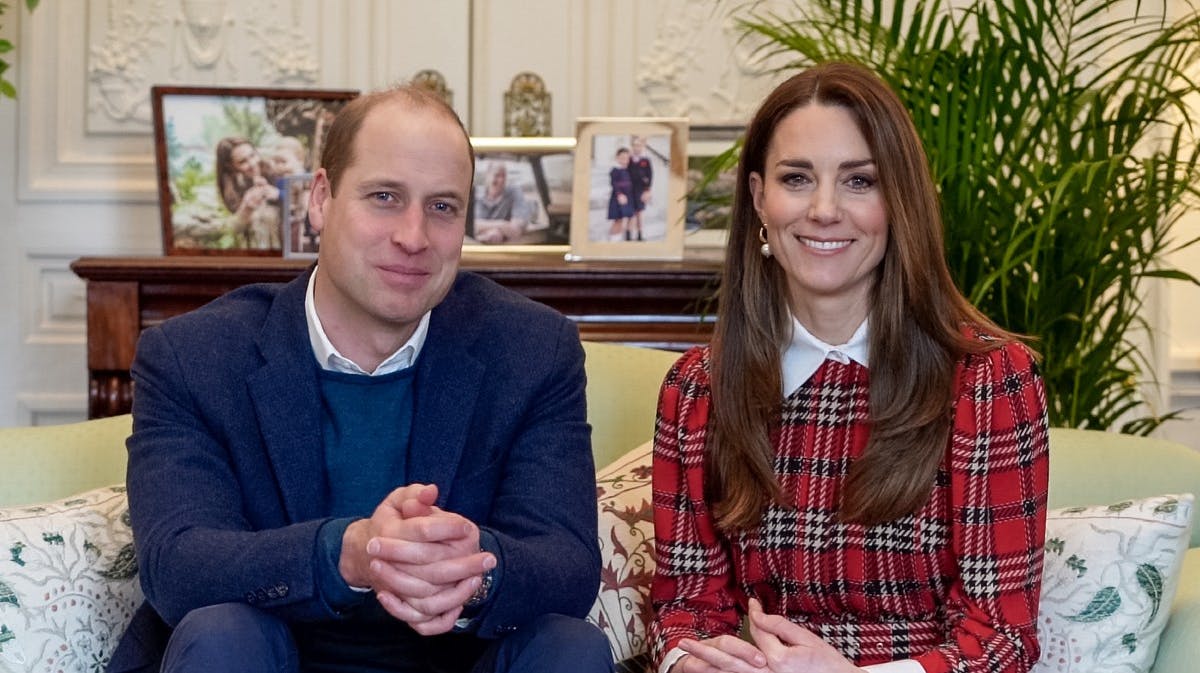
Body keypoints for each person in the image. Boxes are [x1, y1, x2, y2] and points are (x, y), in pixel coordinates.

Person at [108, 85, 612, 673]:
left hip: (456, 660)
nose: (414, 236)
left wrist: (471, 568)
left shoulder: (532, 350)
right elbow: (180, 564)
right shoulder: (194, 356)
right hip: (265, 656)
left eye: (443, 207)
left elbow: (567, 564)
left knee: (571, 646)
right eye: (384, 197)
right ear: (320, 198)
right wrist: (349, 554)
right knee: (222, 631)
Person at [648, 61, 1050, 673]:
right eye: (797, 178)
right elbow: (686, 605)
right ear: (759, 198)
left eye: (859, 181)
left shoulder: (989, 382)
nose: (825, 209)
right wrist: (689, 660)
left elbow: (1000, 639)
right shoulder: (699, 388)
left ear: (898, 201)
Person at [214, 136, 282, 249]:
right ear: (230, 166)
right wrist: (246, 208)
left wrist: (278, 194)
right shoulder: (231, 188)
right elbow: (231, 229)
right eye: (242, 161)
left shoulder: (274, 170)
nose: (252, 163)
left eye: (252, 155)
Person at [471, 161, 532, 244]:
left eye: (503, 176)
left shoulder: (513, 193)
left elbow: (515, 230)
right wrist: (500, 226)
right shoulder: (476, 195)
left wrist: (494, 231)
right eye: (497, 175)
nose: (501, 180)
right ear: (487, 176)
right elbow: (470, 227)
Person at [606, 147, 636, 241]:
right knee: (618, 219)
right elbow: (614, 184)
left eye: (627, 158)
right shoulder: (615, 170)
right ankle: (613, 239)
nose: (625, 160)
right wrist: (619, 194)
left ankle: (627, 237)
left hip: (629, 198)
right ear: (617, 158)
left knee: (630, 217)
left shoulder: (629, 170)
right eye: (622, 158)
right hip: (618, 198)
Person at [628, 136, 653, 241]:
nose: (636, 148)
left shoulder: (646, 160)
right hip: (630, 190)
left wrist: (647, 191)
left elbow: (650, 175)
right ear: (632, 147)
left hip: (640, 190)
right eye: (634, 145)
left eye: (638, 145)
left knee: (639, 213)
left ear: (642, 147)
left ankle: (639, 234)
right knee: (630, 213)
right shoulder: (629, 160)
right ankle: (628, 234)